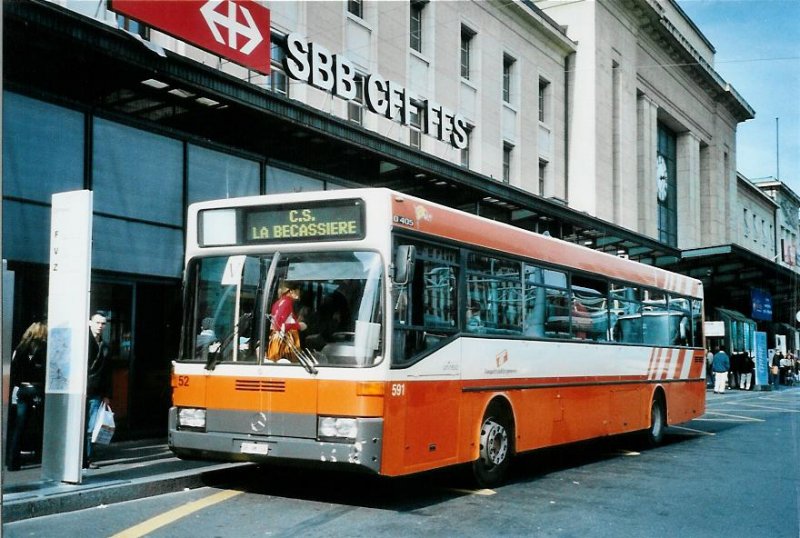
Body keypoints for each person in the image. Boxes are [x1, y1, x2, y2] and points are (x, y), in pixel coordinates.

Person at [6, 321, 47, 471]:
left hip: (22, 388)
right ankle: (41, 456)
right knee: (41, 423)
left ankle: (13, 461)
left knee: (19, 425)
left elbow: (14, 369)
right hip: (37, 388)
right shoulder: (44, 347)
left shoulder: (20, 347)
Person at [85, 313, 112, 469]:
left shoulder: (105, 345)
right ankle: (81, 458)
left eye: (103, 323)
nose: (100, 325)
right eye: (97, 322)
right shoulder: (84, 341)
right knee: (81, 426)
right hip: (81, 390)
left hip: (95, 391)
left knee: (91, 427)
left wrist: (107, 394)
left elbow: (107, 372)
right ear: (90, 323)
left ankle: (87, 458)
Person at [267, 282, 306, 362]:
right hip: (285, 343)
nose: (300, 293)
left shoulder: (278, 303)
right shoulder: (287, 302)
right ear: (291, 291)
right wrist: (298, 325)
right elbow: (279, 326)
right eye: (298, 290)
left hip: (276, 341)